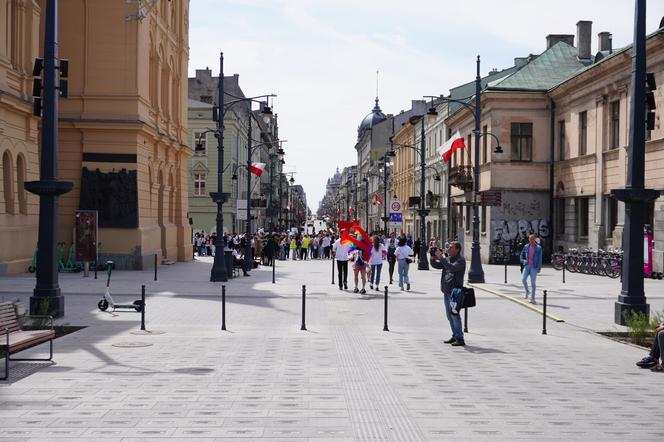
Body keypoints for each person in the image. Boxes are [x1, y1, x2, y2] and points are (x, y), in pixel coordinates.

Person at [430, 241, 466, 346]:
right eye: (448, 247)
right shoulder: (448, 259)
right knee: (449, 315)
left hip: (455, 293)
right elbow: (437, 265)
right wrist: (433, 256)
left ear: (457, 249)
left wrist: (441, 258)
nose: (448, 249)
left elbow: (452, 268)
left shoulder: (460, 260)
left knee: (455, 315)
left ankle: (460, 338)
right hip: (446, 291)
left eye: (451, 248)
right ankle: (455, 335)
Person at [520, 234, 543, 304]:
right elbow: (522, 255)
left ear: (535, 239)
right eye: (530, 239)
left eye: (533, 239)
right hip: (527, 266)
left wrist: (539, 268)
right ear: (529, 239)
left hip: (534, 267)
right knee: (523, 279)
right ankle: (527, 291)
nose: (531, 240)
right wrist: (523, 261)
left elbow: (540, 258)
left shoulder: (538, 248)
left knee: (533, 283)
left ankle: (532, 298)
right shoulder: (526, 246)